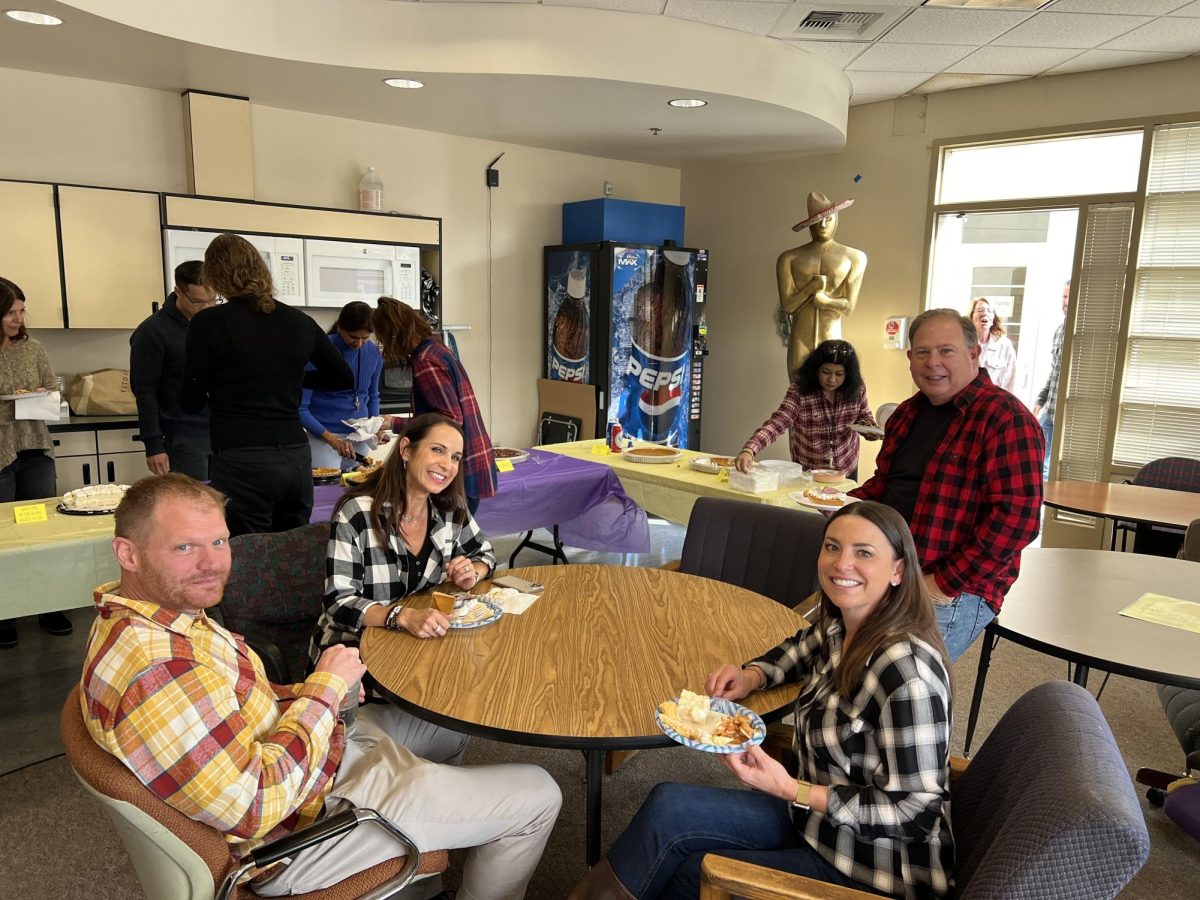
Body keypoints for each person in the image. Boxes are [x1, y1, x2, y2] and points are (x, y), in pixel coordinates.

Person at [80, 474, 561, 898]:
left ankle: (419, 864)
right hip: (301, 831)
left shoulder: (160, 619)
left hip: (311, 762)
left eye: (220, 543)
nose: (212, 563)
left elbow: (237, 712)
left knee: (448, 727)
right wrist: (325, 689)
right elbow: (252, 808)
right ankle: (413, 829)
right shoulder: (157, 669)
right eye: (185, 547)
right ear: (129, 553)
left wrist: (314, 696)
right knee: (539, 794)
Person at [569, 501, 953, 900]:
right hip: (812, 821)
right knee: (668, 807)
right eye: (833, 546)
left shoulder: (909, 673)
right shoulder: (845, 621)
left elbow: (915, 814)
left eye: (864, 553)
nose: (842, 564)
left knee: (689, 874)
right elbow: (801, 649)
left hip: (868, 868)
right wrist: (752, 674)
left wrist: (793, 790)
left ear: (898, 571)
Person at [849, 308, 1043, 661]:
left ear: (973, 354)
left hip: (957, 586)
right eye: (922, 352)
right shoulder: (906, 415)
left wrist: (940, 583)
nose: (932, 362)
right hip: (892, 568)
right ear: (910, 358)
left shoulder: (1007, 420)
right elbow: (886, 486)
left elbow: (1018, 520)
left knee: (900, 680)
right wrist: (842, 504)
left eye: (946, 351)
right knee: (838, 657)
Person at [179, 233, 353, 536]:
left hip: (241, 457)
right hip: (295, 459)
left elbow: (190, 399)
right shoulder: (298, 321)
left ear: (215, 277)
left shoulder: (208, 323)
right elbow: (342, 378)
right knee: (292, 552)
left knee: (248, 557)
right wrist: (289, 377)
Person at [311, 412, 496, 679]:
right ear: (406, 450)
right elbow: (338, 604)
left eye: (455, 457)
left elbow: (484, 553)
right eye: (437, 450)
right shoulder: (358, 513)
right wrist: (403, 617)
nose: (447, 464)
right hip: (354, 654)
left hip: (419, 646)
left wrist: (472, 572)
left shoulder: (450, 508)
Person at [372, 296, 496, 513]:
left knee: (448, 538)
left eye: (383, 339)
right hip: (468, 459)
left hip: (457, 467)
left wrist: (395, 423)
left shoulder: (425, 361)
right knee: (452, 537)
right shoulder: (436, 350)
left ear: (394, 335)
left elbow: (449, 420)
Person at [0, 276, 72, 648]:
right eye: (11, 312)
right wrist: (14, 401)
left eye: (21, 311)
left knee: (43, 531)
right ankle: (4, 614)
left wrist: (35, 397)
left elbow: (50, 387)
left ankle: (50, 605)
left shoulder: (34, 348)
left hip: (34, 448)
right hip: (0, 455)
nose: (18, 319)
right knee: (5, 537)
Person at [735, 340, 879, 479]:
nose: (832, 379)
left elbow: (864, 415)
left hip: (846, 468)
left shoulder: (857, 388)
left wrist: (871, 430)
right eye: (826, 372)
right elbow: (779, 421)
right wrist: (750, 449)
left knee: (846, 504)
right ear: (815, 369)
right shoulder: (799, 391)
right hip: (809, 472)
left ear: (848, 374)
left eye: (839, 374)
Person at [129, 260, 216, 479]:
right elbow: (145, 391)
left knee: (224, 504)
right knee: (192, 505)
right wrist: (153, 445)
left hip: (220, 431)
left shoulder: (215, 325)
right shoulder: (152, 331)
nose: (206, 308)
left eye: (212, 301)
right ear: (178, 292)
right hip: (182, 436)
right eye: (198, 302)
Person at [777, 192, 868, 382]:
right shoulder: (789, 258)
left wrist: (826, 301)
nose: (823, 225)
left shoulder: (854, 257)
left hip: (831, 337)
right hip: (800, 338)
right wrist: (810, 287)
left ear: (837, 219)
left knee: (832, 390)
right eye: (817, 221)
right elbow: (788, 306)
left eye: (828, 219)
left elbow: (848, 307)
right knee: (798, 393)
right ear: (809, 224)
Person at [299, 301, 384, 471]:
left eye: (365, 338)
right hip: (323, 439)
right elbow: (301, 409)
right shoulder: (318, 351)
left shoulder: (374, 353)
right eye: (353, 337)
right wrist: (331, 439)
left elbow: (373, 397)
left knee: (356, 491)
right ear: (340, 327)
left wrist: (375, 428)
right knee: (328, 492)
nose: (359, 344)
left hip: (359, 439)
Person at [1033, 282, 1070, 480]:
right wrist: (1041, 398)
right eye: (1064, 297)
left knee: (1050, 469)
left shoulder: (1083, 336)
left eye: (1070, 297)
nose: (1066, 302)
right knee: (1039, 464)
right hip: (1050, 411)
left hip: (1067, 416)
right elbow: (1055, 370)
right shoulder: (1059, 331)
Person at [968, 298, 1016, 391]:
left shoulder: (1005, 345)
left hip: (994, 402)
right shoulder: (963, 343)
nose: (985, 313)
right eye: (980, 310)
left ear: (993, 317)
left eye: (989, 311)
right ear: (971, 316)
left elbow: (1011, 383)